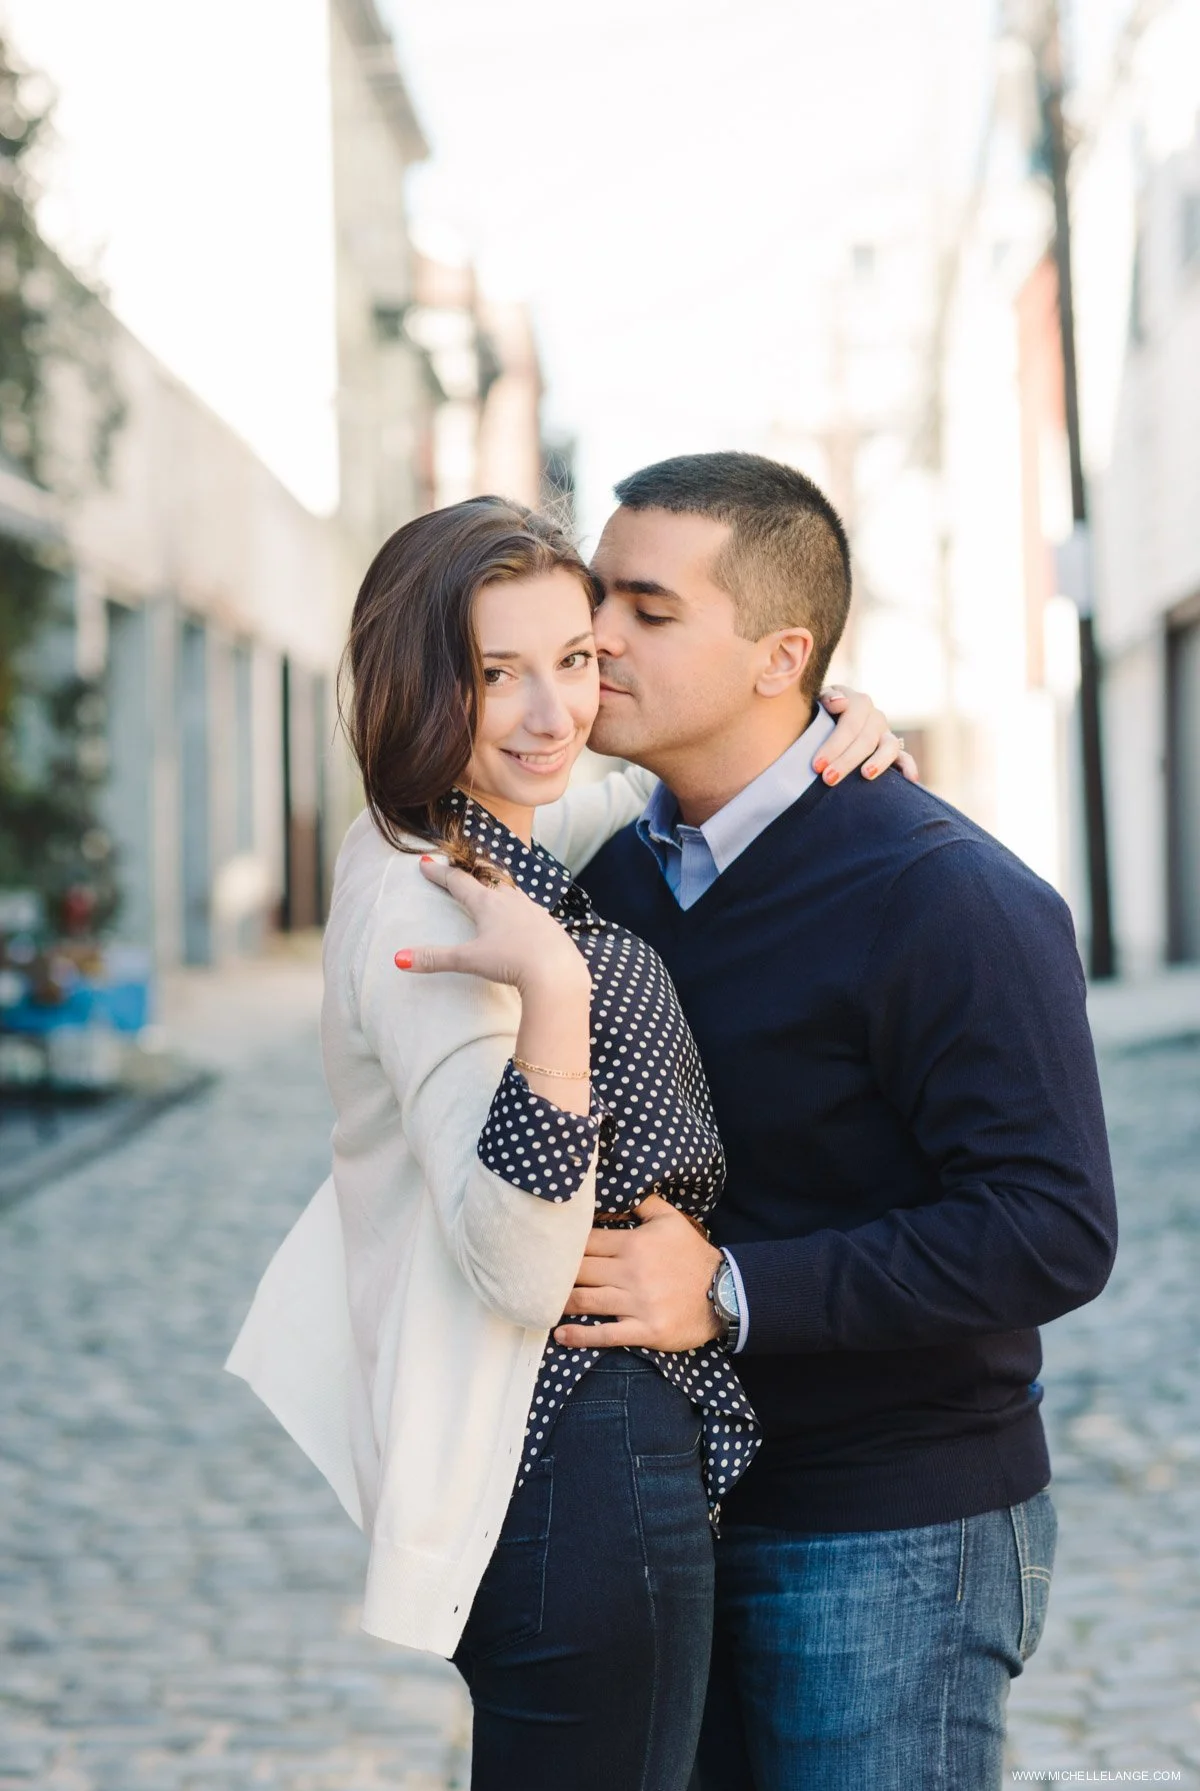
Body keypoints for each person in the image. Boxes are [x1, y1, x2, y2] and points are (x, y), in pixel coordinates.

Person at [224, 495, 910, 1791]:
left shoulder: (498, 829)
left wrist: (831, 710)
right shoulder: (437, 908)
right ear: (420, 681)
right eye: (498, 675)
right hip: (571, 1476)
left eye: (575, 659)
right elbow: (517, 1259)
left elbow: (638, 784)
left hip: (582, 1469)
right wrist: (553, 998)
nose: (555, 713)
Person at [554, 450, 1119, 1791]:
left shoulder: (949, 897)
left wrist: (735, 1290)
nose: (599, 637)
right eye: (596, 596)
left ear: (780, 654)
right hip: (664, 1518)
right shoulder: (613, 880)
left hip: (892, 1528)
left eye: (647, 607)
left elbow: (1052, 1230)